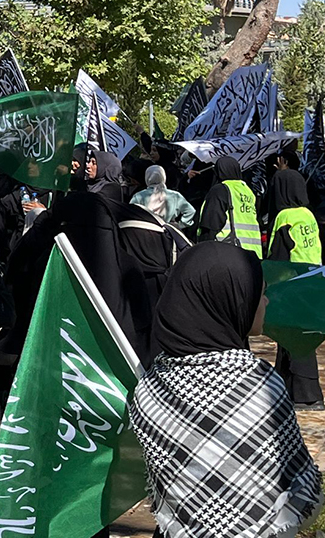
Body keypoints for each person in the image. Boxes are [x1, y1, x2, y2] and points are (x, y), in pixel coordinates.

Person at [129, 242, 322, 538]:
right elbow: (299, 492)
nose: (266, 301)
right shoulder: (259, 384)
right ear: (229, 302)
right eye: (258, 293)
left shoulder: (149, 389)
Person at [264, 168, 324, 410]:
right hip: (312, 279)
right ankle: (285, 387)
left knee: (296, 339)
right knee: (293, 336)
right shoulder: (308, 215)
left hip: (293, 284)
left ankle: (308, 395)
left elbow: (279, 255)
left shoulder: (285, 216)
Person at [197, 156, 262, 257]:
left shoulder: (220, 190)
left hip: (228, 251)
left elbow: (211, 223)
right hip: (253, 252)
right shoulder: (247, 191)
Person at [129, 165, 195, 229]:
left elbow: (129, 214)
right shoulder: (175, 196)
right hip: (167, 232)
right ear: (163, 177)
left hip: (146, 231)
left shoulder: (139, 196)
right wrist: (179, 225)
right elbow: (190, 211)